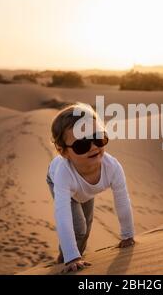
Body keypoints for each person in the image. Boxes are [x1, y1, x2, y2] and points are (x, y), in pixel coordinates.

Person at [46, 103, 135, 273]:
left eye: (99, 138)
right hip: (61, 183)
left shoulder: (112, 167)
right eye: (81, 144)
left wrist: (127, 235)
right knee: (79, 226)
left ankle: (78, 255)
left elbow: (122, 201)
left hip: (84, 190)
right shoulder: (63, 173)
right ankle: (66, 260)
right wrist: (72, 256)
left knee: (87, 226)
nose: (94, 147)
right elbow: (62, 214)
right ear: (63, 151)